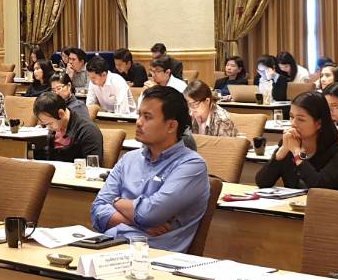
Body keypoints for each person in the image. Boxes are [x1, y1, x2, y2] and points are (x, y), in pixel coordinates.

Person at [91, 85, 209, 253]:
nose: (138, 122)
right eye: (139, 115)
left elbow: (150, 214)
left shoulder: (191, 166)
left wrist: (116, 202)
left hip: (154, 255)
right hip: (108, 247)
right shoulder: (129, 159)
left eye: (147, 117)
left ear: (171, 126)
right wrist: (134, 220)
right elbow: (97, 210)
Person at [254, 90, 338, 191]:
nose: (293, 123)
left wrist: (297, 152)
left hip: (327, 201)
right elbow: (262, 182)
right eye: (291, 117)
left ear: (319, 123)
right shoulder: (290, 143)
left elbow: (318, 187)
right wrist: (281, 153)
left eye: (301, 119)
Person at [35, 92, 105, 163]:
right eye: (45, 125)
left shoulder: (88, 131)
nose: (48, 128)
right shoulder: (54, 129)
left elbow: (93, 165)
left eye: (50, 124)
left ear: (61, 113)